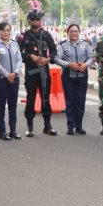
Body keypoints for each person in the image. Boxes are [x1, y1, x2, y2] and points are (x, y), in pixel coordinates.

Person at [19, 9, 58, 137]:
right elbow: (19, 53)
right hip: (31, 71)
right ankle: (29, 127)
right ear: (29, 20)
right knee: (30, 98)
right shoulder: (23, 36)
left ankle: (48, 125)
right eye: (33, 19)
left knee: (46, 98)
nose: (36, 21)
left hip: (44, 72)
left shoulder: (47, 35)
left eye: (37, 19)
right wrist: (30, 56)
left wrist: (47, 59)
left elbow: (54, 52)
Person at [56, 23, 94, 135]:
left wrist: (85, 65)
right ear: (68, 33)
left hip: (82, 76)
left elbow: (91, 57)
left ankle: (79, 126)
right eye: (71, 31)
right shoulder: (62, 45)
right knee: (70, 101)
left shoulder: (85, 44)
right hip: (68, 76)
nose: (74, 33)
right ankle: (70, 126)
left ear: (79, 32)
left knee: (80, 101)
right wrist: (68, 64)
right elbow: (57, 59)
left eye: (76, 31)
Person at [0, 21, 24, 141]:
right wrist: (7, 75)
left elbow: (19, 60)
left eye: (8, 30)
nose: (6, 32)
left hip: (14, 79)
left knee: (13, 105)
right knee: (1, 105)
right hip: (1, 79)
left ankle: (13, 130)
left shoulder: (15, 44)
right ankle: (2, 131)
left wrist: (14, 73)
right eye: (3, 30)